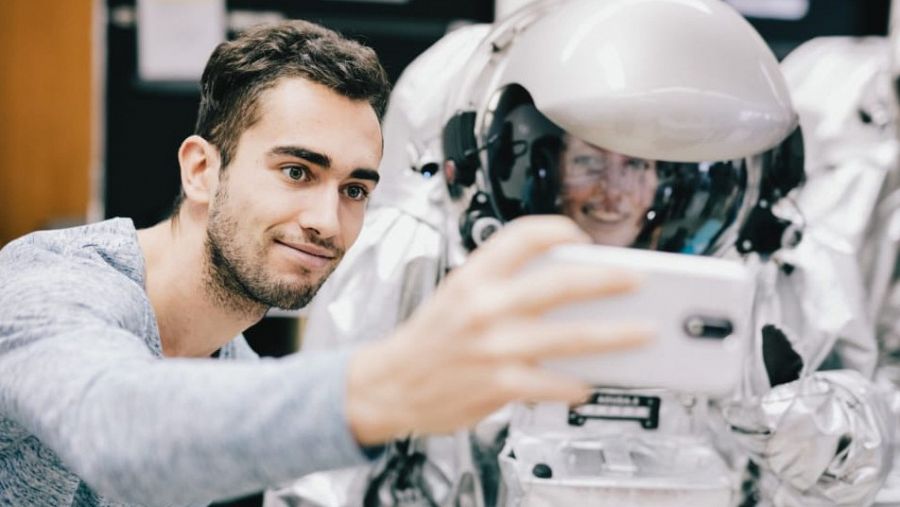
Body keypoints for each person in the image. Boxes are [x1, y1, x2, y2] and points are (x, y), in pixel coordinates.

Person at [0, 19, 652, 506]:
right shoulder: (50, 283)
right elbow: (119, 431)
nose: (327, 220)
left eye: (355, 189)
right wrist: (388, 385)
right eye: (295, 170)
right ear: (201, 169)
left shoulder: (230, 362)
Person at [268, 1, 894, 505]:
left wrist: (802, 422)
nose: (616, 191)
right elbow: (322, 469)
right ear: (544, 167)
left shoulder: (759, 279)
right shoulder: (427, 262)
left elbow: (861, 473)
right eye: (590, 162)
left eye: (639, 166)